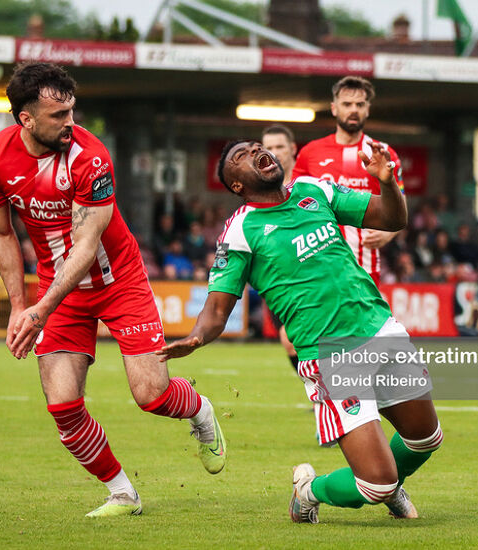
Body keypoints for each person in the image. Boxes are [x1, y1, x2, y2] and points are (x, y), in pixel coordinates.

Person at [0, 62, 225, 518]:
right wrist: (18, 305)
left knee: (151, 395)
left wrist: (39, 310)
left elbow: (87, 246)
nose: (71, 122)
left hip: (118, 281)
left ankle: (200, 410)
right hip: (59, 290)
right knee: (62, 405)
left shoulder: (92, 157)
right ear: (25, 119)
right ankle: (123, 494)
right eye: (57, 115)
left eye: (72, 110)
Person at [159, 140, 442, 523]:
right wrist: (197, 337)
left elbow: (391, 219)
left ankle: (392, 484)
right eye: (242, 154)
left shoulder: (315, 190)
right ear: (237, 185)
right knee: (375, 485)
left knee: (426, 438)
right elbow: (218, 305)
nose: (256, 150)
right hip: (331, 355)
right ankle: (309, 491)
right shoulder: (241, 229)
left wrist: (387, 184)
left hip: (381, 331)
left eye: (256, 145)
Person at [292, 76, 403, 288]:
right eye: (347, 104)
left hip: (363, 265)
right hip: (317, 262)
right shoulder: (310, 152)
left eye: (360, 104)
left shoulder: (383, 153)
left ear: (368, 109)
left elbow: (401, 204)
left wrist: (389, 233)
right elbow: (293, 204)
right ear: (334, 108)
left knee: (363, 320)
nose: (354, 110)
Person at [261, 124, 299, 370]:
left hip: (312, 271)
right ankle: (323, 396)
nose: (274, 152)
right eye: (269, 148)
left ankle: (330, 398)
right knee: (288, 340)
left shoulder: (308, 182)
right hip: (278, 277)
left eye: (279, 147)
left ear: (292, 148)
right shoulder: (260, 189)